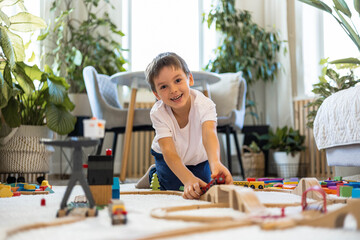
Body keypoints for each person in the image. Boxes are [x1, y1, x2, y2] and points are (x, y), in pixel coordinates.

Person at [138, 52, 233, 199]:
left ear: (189, 79)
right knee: (174, 186)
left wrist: (215, 163)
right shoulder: (158, 113)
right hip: (168, 157)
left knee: (203, 186)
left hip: (197, 157)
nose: (173, 90)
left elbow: (209, 134)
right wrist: (188, 179)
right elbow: (169, 152)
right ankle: (155, 173)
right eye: (163, 87)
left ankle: (188, 174)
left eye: (177, 80)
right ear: (156, 94)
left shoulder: (205, 104)